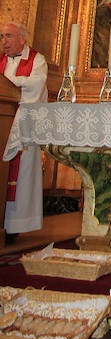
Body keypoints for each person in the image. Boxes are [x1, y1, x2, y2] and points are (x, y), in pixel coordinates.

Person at [0, 22, 48, 244]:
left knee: (18, 174)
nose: (4, 41)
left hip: (22, 126)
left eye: (8, 36)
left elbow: (36, 85)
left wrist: (11, 84)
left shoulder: (36, 60)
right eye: (1, 37)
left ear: (21, 38)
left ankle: (13, 226)